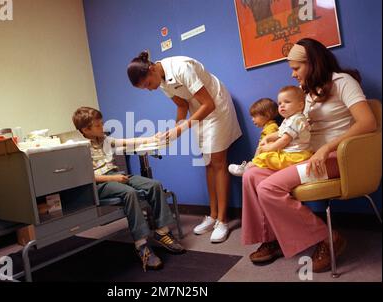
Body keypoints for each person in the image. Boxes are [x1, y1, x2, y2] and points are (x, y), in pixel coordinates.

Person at [241, 38, 377, 273]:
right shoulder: (307, 93)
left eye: (296, 68)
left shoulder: (342, 82)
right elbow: (294, 128)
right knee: (251, 175)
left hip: (337, 159)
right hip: (308, 157)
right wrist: (274, 138)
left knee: (268, 188)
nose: (293, 74)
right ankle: (273, 238)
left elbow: (368, 122)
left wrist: (327, 148)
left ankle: (328, 238)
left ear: (313, 63)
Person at [127, 52, 242, 243]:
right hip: (198, 113)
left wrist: (181, 129)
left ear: (152, 69)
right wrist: (172, 131)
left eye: (147, 84)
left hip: (216, 109)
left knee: (218, 163)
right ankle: (212, 216)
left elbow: (209, 103)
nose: (150, 89)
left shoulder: (181, 67)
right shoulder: (161, 81)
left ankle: (223, 220)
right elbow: (182, 105)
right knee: (207, 163)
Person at [72, 106, 185, 271]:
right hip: (100, 184)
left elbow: (128, 141)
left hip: (117, 176)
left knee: (154, 185)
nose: (102, 127)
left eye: (101, 123)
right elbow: (87, 177)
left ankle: (162, 231)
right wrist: (113, 178)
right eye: (98, 125)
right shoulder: (79, 148)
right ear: (85, 130)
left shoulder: (104, 139)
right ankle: (141, 245)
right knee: (129, 193)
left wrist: (152, 138)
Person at [228, 98, 279, 176]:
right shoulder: (268, 127)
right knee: (252, 163)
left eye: (255, 116)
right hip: (263, 157)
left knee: (251, 165)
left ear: (267, 115)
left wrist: (257, 160)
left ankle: (245, 169)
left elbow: (270, 147)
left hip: (267, 158)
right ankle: (247, 167)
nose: (252, 119)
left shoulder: (271, 128)